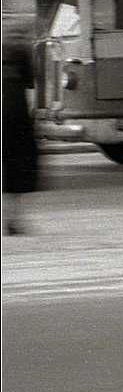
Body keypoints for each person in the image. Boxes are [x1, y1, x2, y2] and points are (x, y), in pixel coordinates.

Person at [3, 19, 39, 235]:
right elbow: (31, 83)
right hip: (19, 112)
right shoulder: (23, 53)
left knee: (8, 167)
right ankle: (16, 220)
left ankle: (11, 219)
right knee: (22, 165)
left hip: (3, 113)